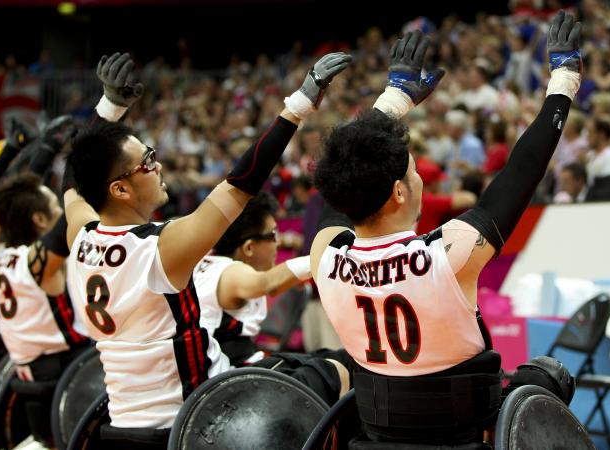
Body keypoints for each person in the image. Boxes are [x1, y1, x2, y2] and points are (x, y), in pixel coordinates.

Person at [310, 13, 581, 446]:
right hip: (463, 439)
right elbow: (524, 169)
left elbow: (346, 176)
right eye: (414, 172)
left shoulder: (324, 258)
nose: (420, 179)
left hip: (375, 438)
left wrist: (393, 100)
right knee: (546, 377)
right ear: (399, 192)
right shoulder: (448, 257)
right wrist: (565, 79)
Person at [64, 51, 352, 443]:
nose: (158, 165)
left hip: (123, 422)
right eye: (147, 162)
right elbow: (241, 184)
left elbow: (74, 178)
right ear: (119, 189)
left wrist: (109, 107)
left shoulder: (80, 235)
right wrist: (299, 104)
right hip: (200, 415)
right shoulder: (159, 250)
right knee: (336, 370)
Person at [0, 164, 89, 445]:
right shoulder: (38, 264)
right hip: (69, 372)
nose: (62, 211)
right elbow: (68, 221)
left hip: (28, 374)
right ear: (40, 220)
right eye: (56, 208)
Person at [193, 191, 311, 366]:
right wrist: (322, 257)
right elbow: (268, 283)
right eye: (272, 235)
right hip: (227, 382)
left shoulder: (209, 262)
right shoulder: (230, 273)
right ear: (248, 248)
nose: (278, 243)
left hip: (235, 370)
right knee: (334, 367)